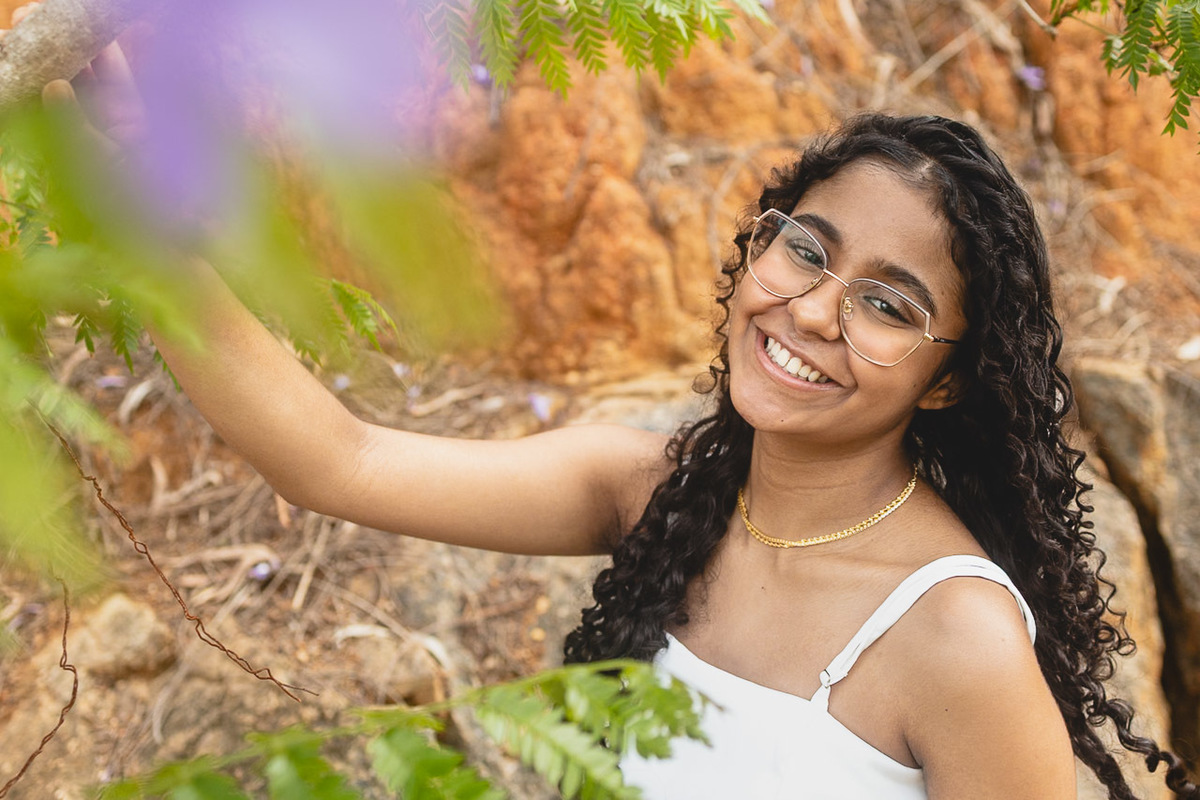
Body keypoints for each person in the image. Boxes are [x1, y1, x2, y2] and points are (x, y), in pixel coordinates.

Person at [10, 6, 1195, 790]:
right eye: (807, 250)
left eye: (889, 304)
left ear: (945, 375)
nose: (816, 311)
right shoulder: (651, 490)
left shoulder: (953, 637)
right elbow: (337, 460)